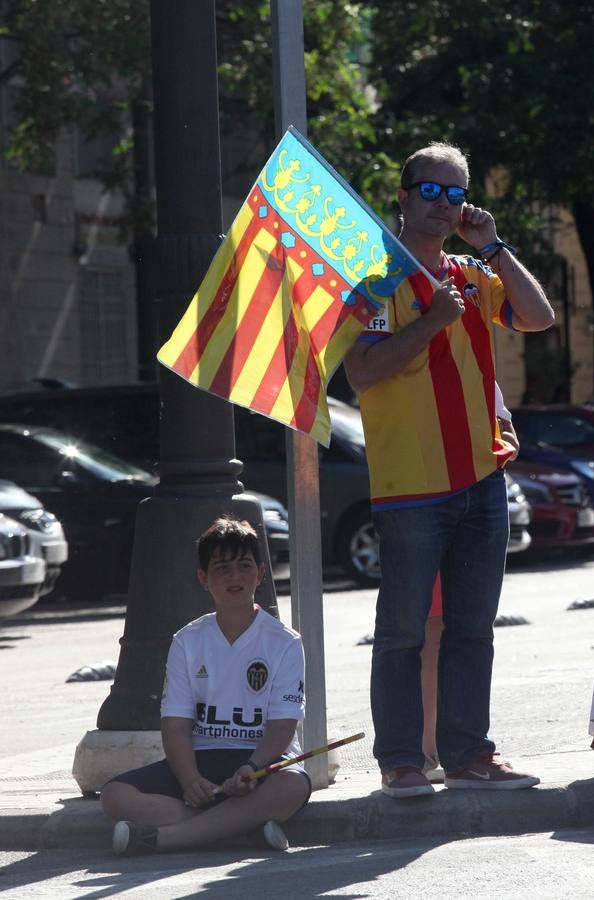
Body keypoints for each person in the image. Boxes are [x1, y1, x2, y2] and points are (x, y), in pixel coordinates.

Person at [344, 141, 555, 798]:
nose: (442, 205)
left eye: (454, 193)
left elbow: (537, 317)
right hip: (410, 486)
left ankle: (468, 755)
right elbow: (361, 372)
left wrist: (492, 246)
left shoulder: (471, 271)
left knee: (472, 627)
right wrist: (434, 318)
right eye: (428, 191)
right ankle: (401, 762)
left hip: (480, 478)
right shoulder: (375, 278)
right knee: (403, 631)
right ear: (403, 197)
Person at [101, 516, 311, 855]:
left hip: (258, 763)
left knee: (292, 785)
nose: (235, 577)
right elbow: (175, 724)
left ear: (260, 574)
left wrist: (251, 769)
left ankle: (166, 839)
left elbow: (283, 727)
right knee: (115, 795)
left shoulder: (285, 642)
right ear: (204, 579)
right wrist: (189, 780)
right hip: (202, 758)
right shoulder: (187, 640)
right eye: (223, 568)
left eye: (244, 566)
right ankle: (243, 831)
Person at [421, 391, 520, 782]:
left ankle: (451, 752)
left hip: (474, 496)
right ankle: (423, 751)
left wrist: (506, 443)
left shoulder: (474, 354)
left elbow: (504, 421)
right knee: (427, 631)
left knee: (463, 630)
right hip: (423, 494)